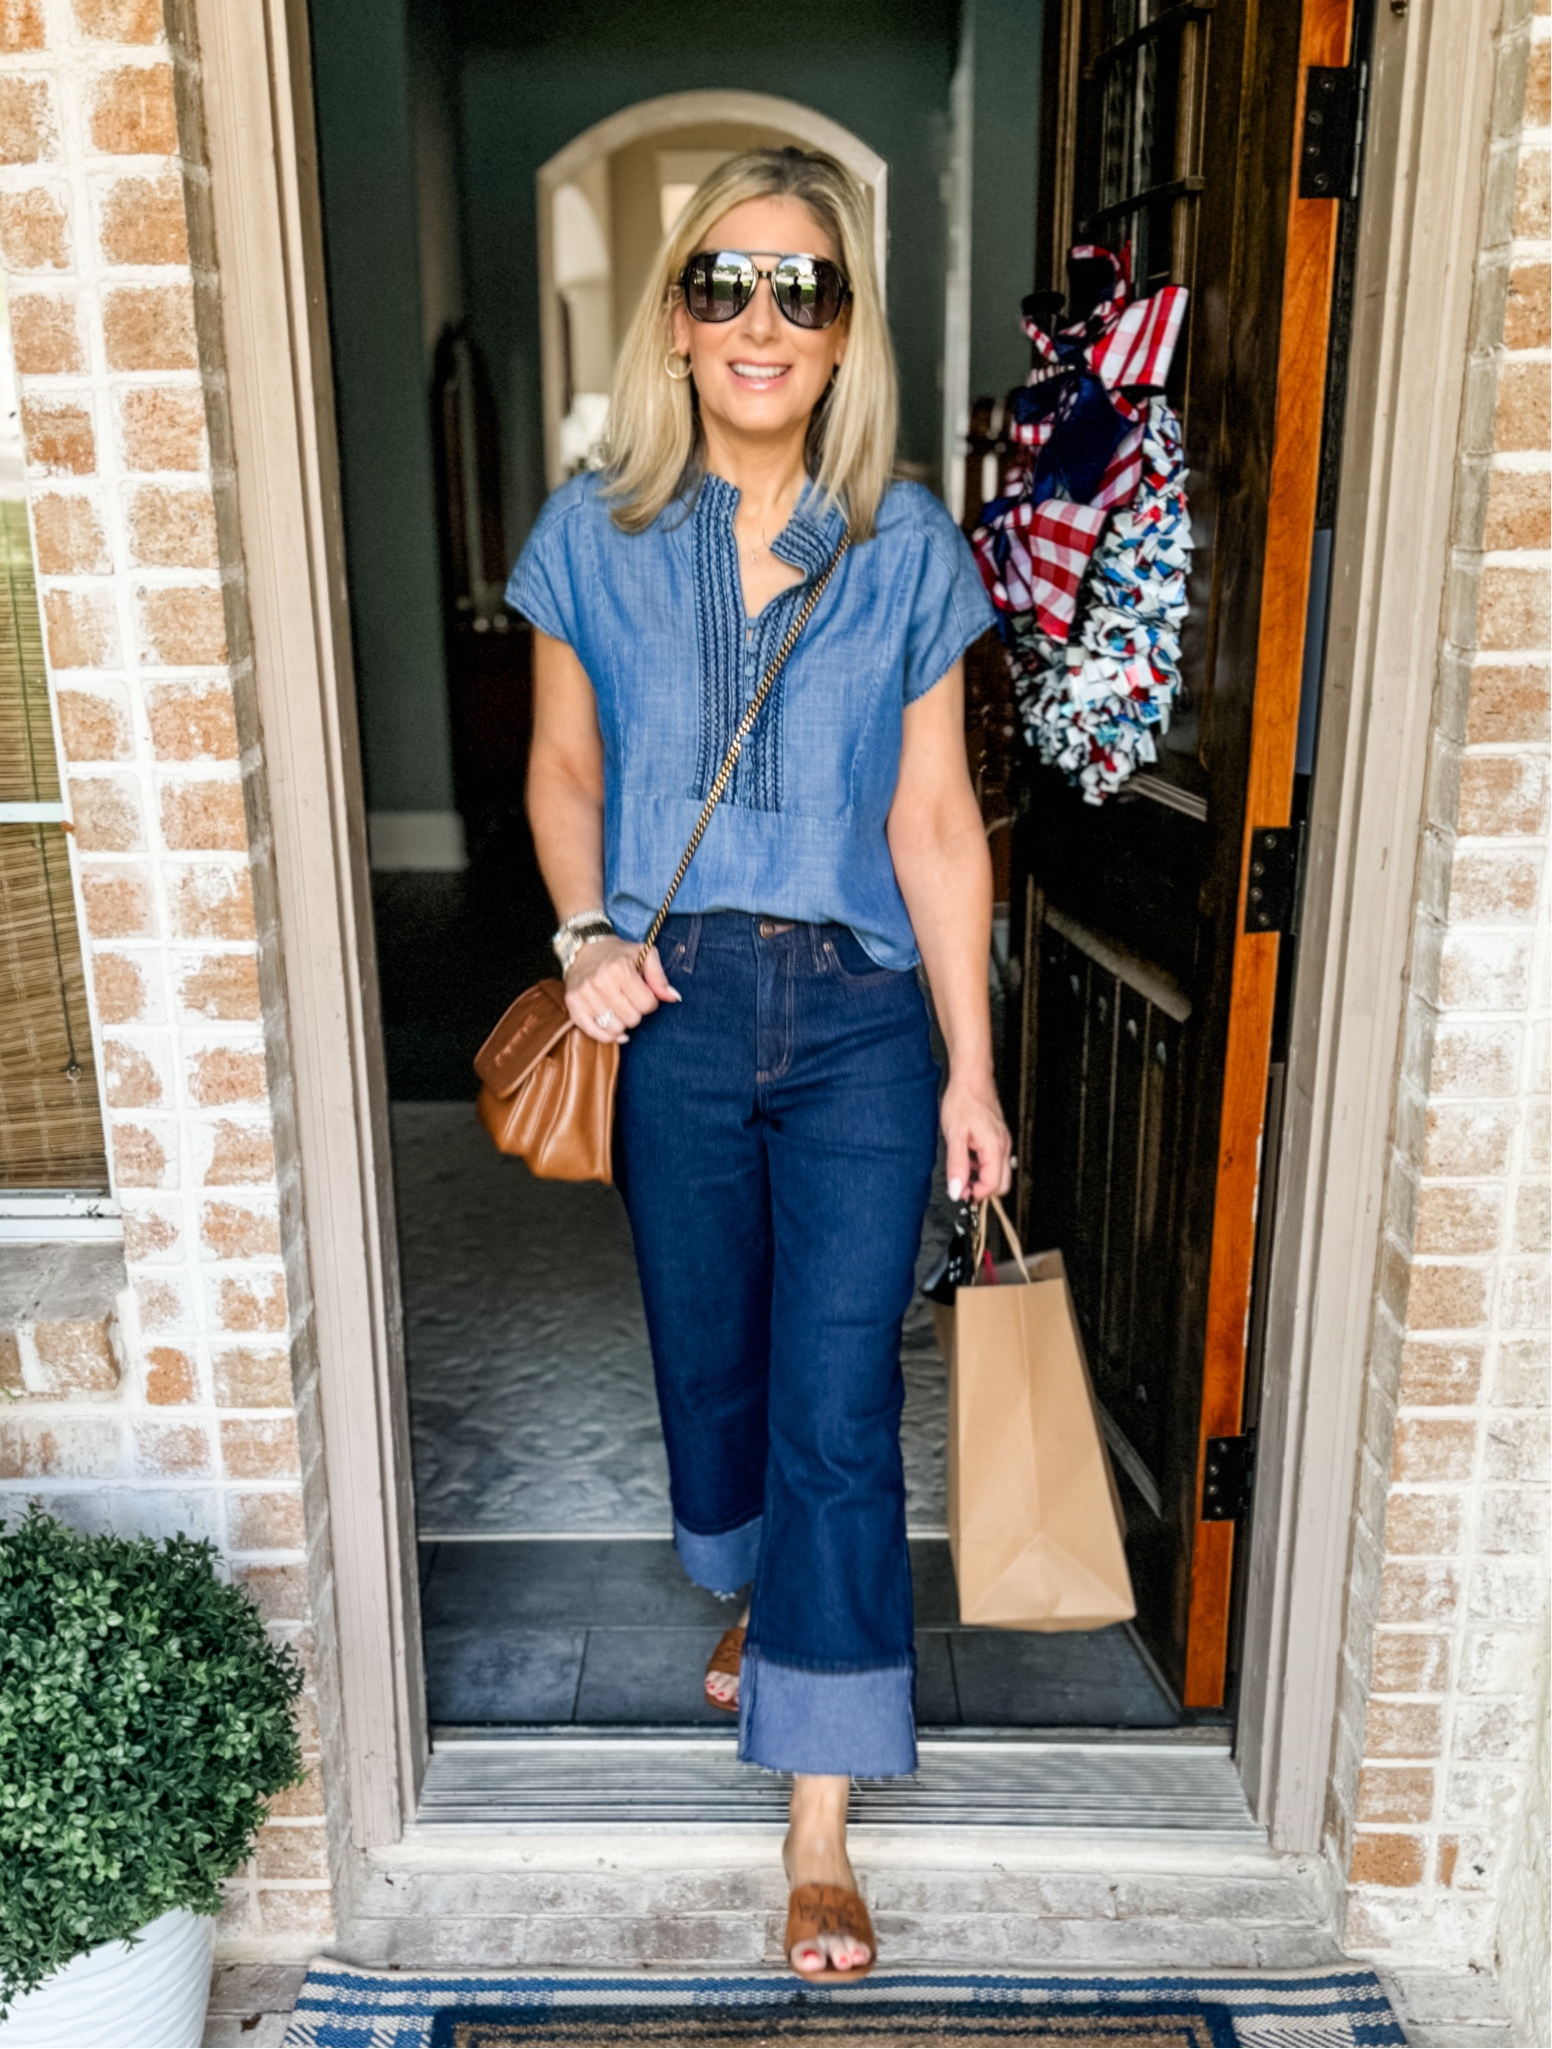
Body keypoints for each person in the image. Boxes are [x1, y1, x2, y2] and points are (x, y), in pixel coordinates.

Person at [508, 145, 1011, 1982]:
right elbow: (565, 770)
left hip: (867, 1016)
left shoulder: (905, 544)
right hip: (677, 1013)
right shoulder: (596, 533)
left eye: (805, 286)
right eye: (727, 278)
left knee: (838, 1407)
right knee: (707, 1364)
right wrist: (585, 937)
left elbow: (940, 822)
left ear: (848, 322)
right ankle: (750, 1594)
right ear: (677, 312)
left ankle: (816, 1815)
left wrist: (972, 1064)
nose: (762, 319)